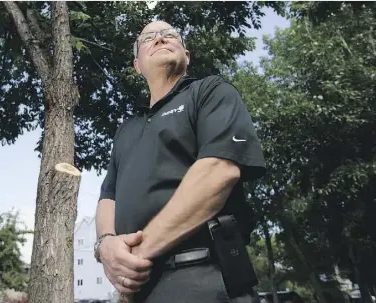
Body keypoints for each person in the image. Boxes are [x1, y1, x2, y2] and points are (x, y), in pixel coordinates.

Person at [93, 20, 266, 303]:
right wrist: (106, 245)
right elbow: (107, 196)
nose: (160, 39)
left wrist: (136, 256)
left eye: (170, 34)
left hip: (202, 275)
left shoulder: (210, 92)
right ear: (137, 65)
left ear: (186, 56)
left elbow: (218, 172)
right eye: (149, 38)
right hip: (136, 289)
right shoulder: (127, 129)